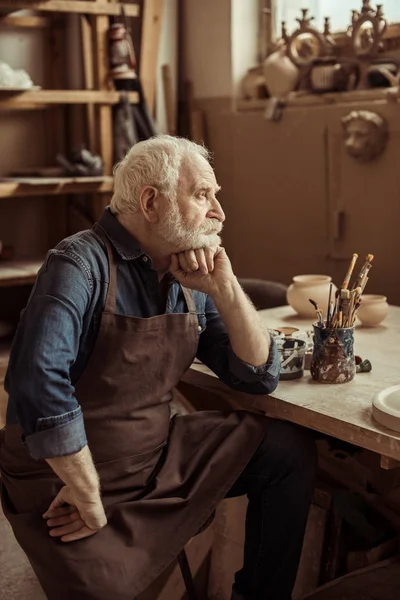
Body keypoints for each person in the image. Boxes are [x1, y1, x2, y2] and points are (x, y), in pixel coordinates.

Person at [0, 135, 316, 600]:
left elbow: (255, 376)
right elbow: (36, 382)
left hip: (155, 455)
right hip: (65, 477)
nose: (220, 213)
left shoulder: (189, 273)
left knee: (287, 450)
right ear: (151, 201)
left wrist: (225, 287)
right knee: (105, 586)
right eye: (203, 195)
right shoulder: (78, 263)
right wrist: (87, 490)